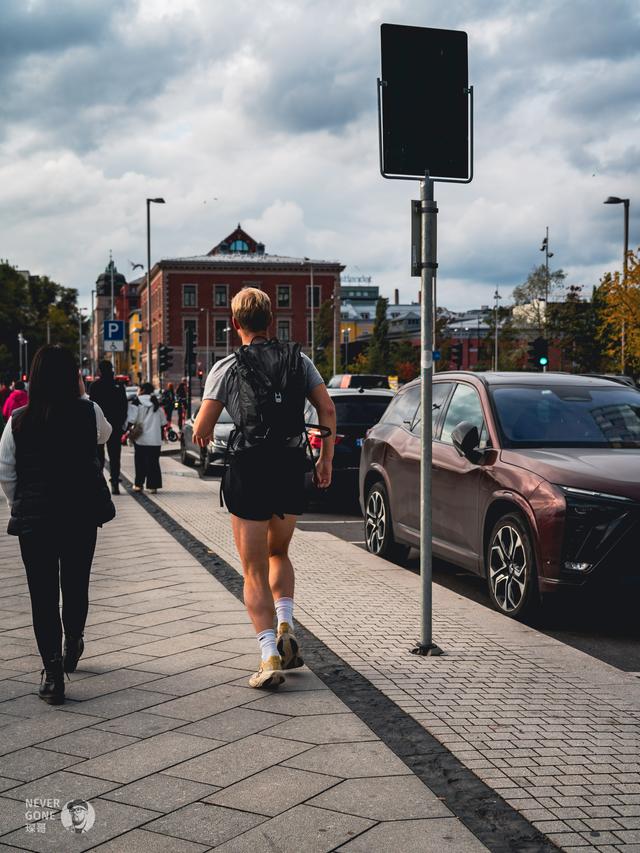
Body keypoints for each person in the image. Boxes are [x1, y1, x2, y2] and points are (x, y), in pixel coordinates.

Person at [193, 287, 336, 690]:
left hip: (250, 468)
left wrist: (203, 430)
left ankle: (268, 653)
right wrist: (324, 461)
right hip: (291, 465)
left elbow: (203, 429)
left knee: (252, 567)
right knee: (280, 552)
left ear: (234, 324)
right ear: (271, 321)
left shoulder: (227, 367)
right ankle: (286, 622)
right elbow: (326, 410)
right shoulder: (299, 360)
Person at [0, 345, 114, 705]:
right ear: (72, 377)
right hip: (80, 515)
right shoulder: (88, 411)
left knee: (42, 595)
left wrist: (17, 504)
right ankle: (74, 640)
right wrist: (82, 396)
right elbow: (105, 435)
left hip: (35, 519)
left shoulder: (18, 419)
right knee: (76, 583)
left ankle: (52, 674)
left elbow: (6, 469)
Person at [89, 360, 128, 495]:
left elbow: (91, 407)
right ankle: (115, 482)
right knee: (115, 456)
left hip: (98, 425)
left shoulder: (95, 386)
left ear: (100, 370)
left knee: (98, 456)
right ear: (111, 369)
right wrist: (122, 423)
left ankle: (99, 483)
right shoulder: (118, 385)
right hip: (115, 426)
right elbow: (124, 406)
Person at [128, 383, 167, 493]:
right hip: (155, 439)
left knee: (140, 462)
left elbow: (132, 419)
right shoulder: (156, 402)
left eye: (139, 388)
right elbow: (163, 421)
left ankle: (138, 484)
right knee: (153, 463)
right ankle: (153, 486)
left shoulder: (136, 402)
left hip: (140, 439)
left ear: (143, 390)